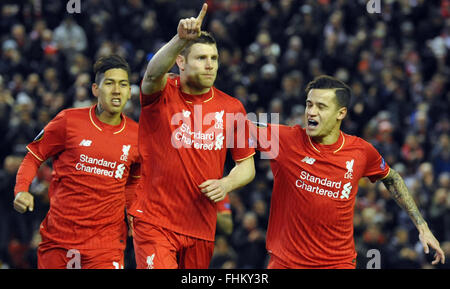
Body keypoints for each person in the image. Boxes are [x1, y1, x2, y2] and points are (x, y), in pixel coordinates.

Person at [250, 75, 445, 269]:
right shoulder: (285, 139)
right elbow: (237, 129)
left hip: (338, 264)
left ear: (341, 113)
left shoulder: (360, 151)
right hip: (287, 264)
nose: (311, 112)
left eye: (321, 106)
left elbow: (391, 178)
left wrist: (423, 227)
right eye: (309, 105)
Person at [130, 3, 255, 269]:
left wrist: (226, 185)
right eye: (201, 58)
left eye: (214, 58)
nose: (210, 65)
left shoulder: (232, 107)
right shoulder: (162, 92)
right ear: (181, 61)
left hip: (201, 226)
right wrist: (180, 39)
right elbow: (152, 73)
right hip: (155, 221)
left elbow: (247, 167)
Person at [13, 54, 141, 269]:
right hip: (59, 239)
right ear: (95, 89)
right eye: (109, 83)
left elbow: (133, 182)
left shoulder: (137, 136)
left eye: (123, 84)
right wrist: (21, 190)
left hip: (106, 244)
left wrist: (133, 214)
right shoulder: (68, 121)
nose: (117, 90)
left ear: (129, 91)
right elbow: (33, 157)